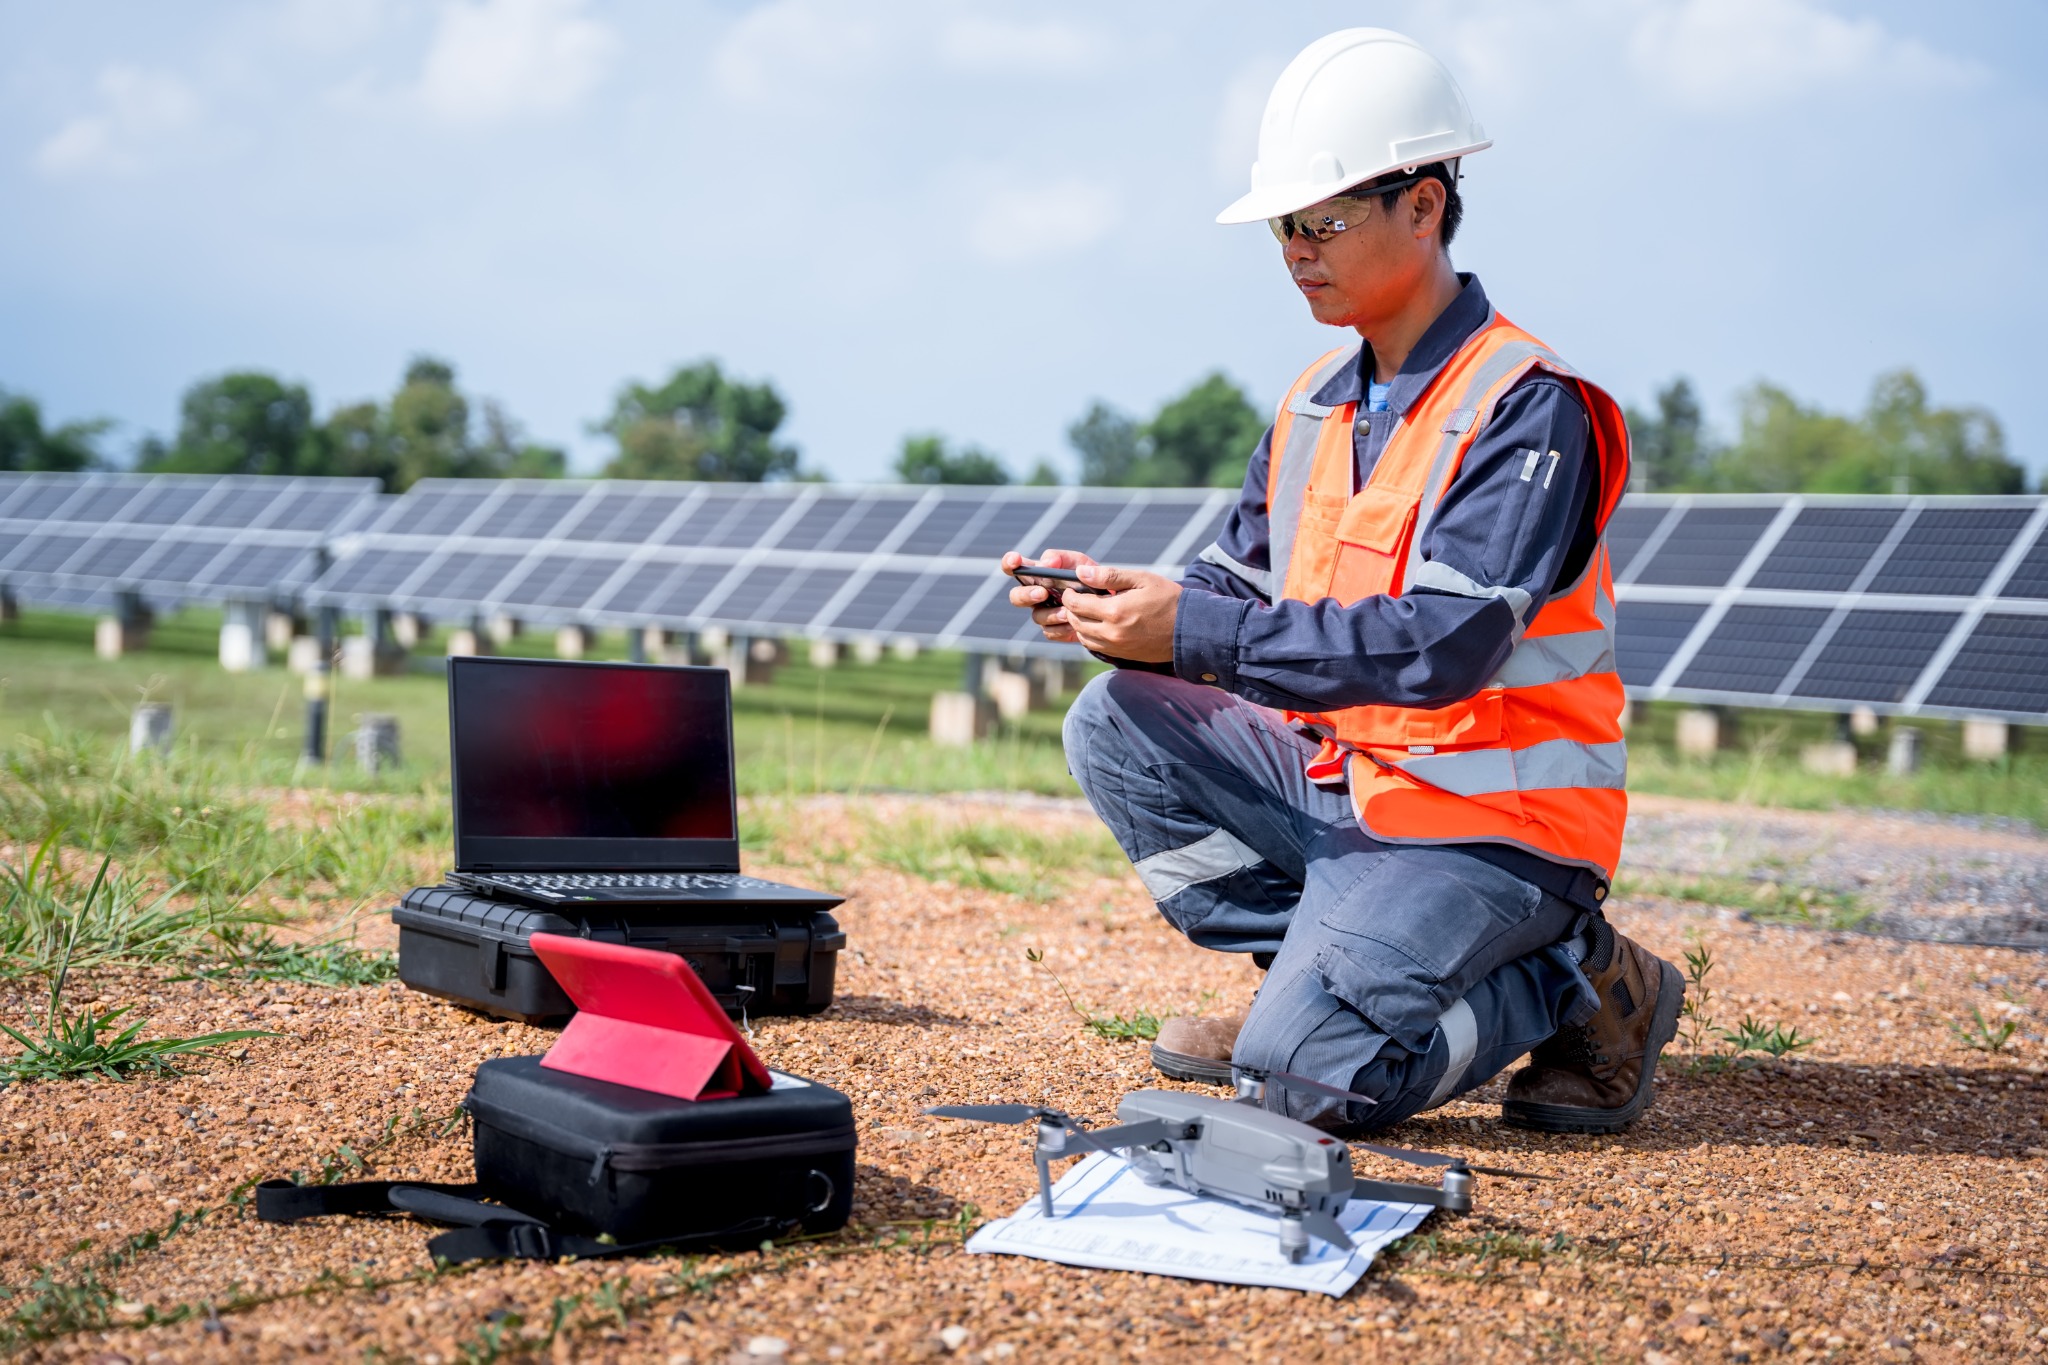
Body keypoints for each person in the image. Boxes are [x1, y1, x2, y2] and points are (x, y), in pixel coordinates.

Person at [1002, 28, 1682, 1135]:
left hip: (1494, 825)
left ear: (1422, 208)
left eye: (1321, 223)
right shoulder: (1316, 403)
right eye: (1282, 227)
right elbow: (1227, 593)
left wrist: (1196, 634)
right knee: (1116, 720)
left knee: (1302, 1086)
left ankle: (1573, 978)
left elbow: (1440, 645)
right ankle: (1310, 985)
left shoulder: (1525, 407)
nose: (1294, 252)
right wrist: (1115, 603)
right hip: (1351, 791)